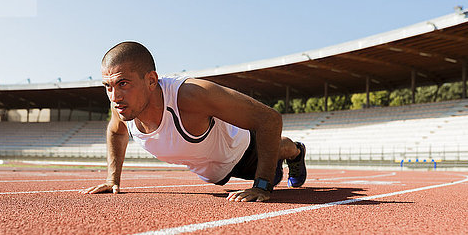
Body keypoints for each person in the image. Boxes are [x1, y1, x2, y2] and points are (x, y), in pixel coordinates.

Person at [82, 41, 306, 202]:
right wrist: (113, 179)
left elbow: (270, 119)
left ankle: (295, 151)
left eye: (123, 84)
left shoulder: (191, 95)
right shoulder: (121, 106)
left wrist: (262, 186)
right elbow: (117, 132)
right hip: (215, 173)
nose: (114, 96)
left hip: (245, 151)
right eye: (107, 86)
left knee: (275, 160)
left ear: (151, 80)